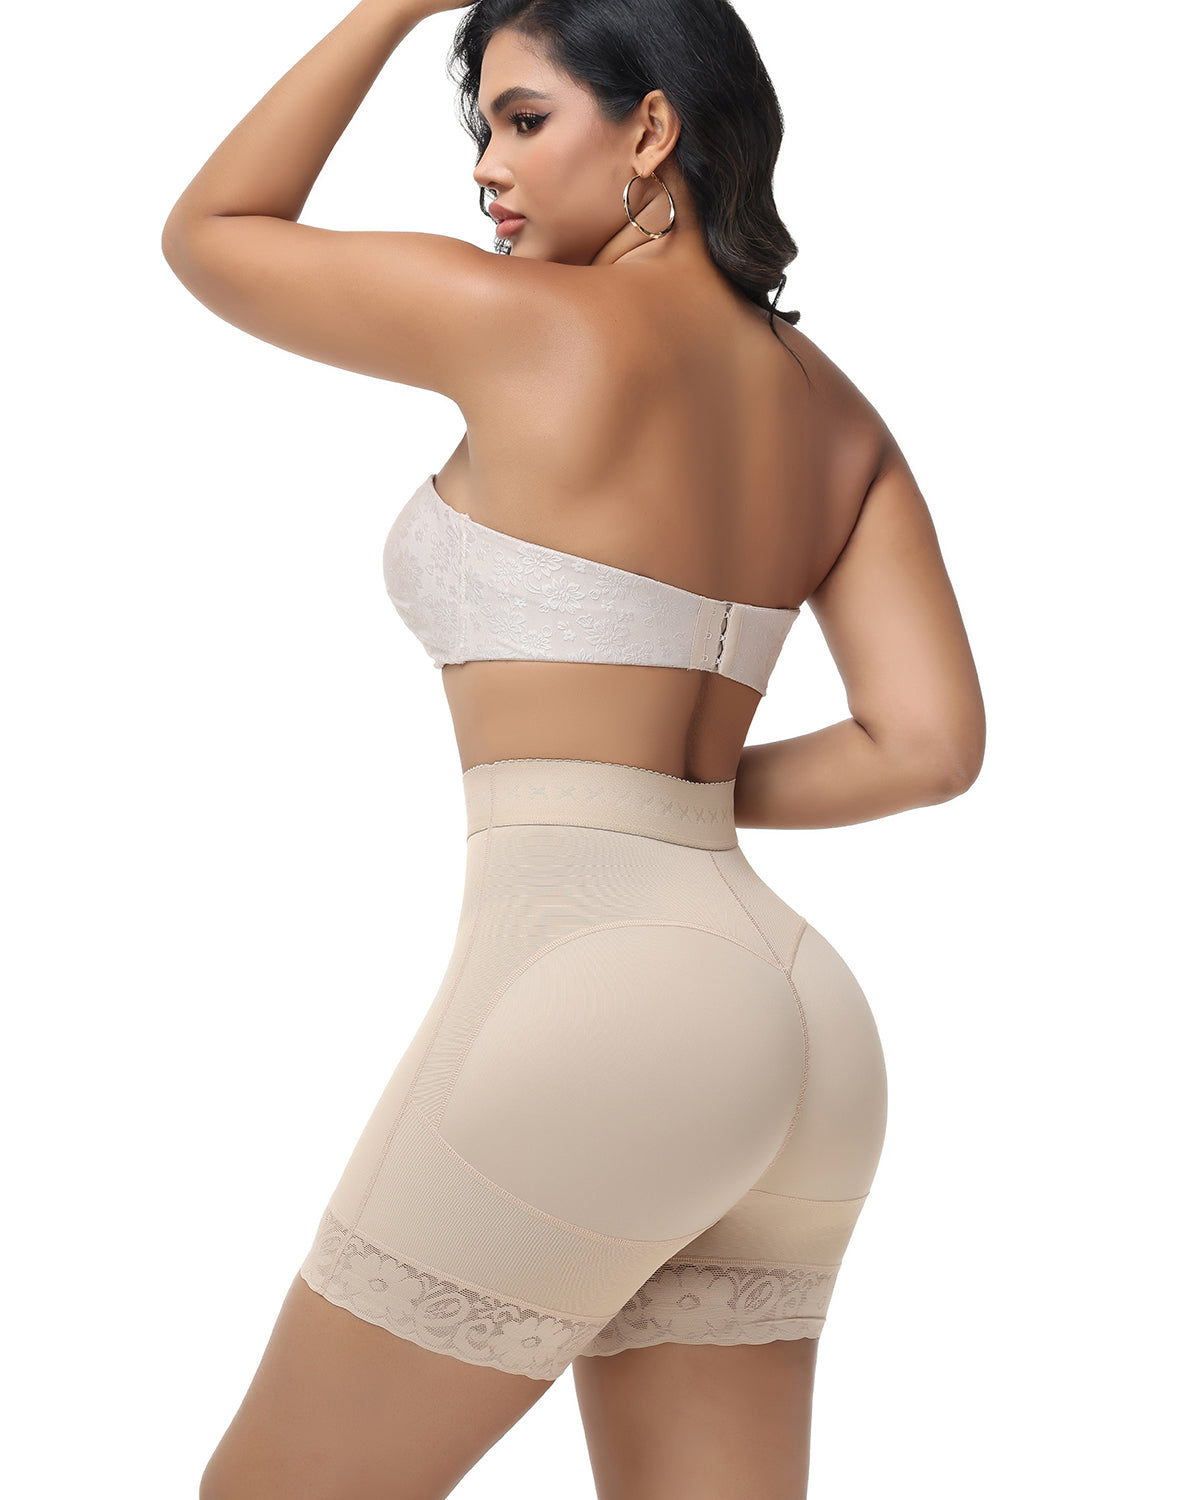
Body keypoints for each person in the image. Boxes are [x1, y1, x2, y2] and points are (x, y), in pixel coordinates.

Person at [162, 0, 985, 1494]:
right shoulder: (842, 418)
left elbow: (214, 233)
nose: (487, 164)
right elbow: (924, 746)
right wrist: (679, 800)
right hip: (807, 1029)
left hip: (600, 996)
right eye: (480, 126)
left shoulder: (523, 322)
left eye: (525, 119)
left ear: (652, 127)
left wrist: (397, 3)